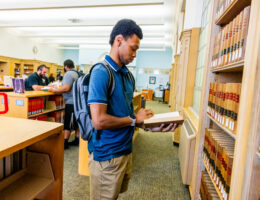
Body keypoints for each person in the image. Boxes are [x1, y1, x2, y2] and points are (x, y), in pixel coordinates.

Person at [88, 19, 178, 200]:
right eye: (133, 48)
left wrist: (151, 125)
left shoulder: (128, 75)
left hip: (125, 151)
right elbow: (98, 121)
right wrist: (135, 120)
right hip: (107, 155)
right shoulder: (101, 72)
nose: (135, 54)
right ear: (118, 40)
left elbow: (129, 117)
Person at [49, 59, 80, 149]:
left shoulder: (69, 74)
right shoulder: (76, 73)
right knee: (77, 122)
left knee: (68, 122)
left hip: (71, 102)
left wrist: (54, 90)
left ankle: (65, 142)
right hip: (77, 102)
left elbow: (66, 88)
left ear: (65, 66)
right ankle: (77, 140)